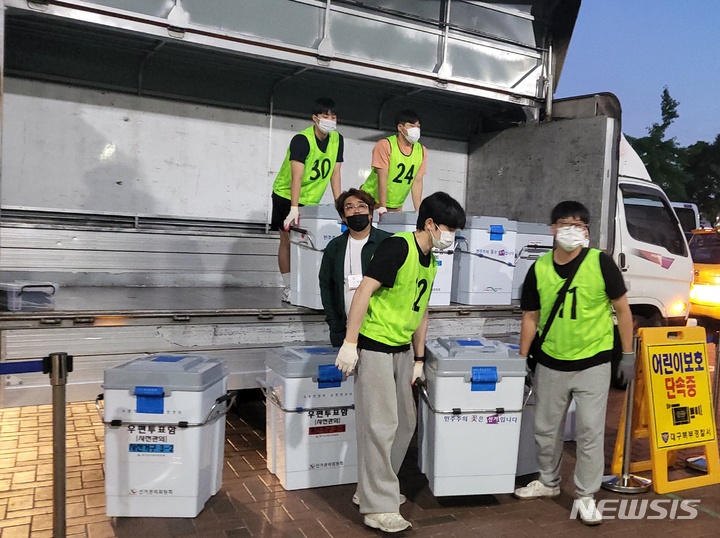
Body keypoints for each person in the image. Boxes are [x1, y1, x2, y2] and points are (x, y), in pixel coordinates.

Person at [334, 192, 466, 533]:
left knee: (405, 423)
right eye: (449, 228)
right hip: (375, 346)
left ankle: (373, 489)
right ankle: (378, 506)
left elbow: (420, 310)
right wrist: (350, 343)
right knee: (380, 425)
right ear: (430, 224)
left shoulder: (431, 261)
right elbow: (363, 291)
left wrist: (419, 357)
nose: (451, 236)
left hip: (402, 349)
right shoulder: (398, 247)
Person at [513, 200, 635, 526]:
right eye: (565, 224)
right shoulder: (538, 268)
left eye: (580, 225)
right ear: (552, 228)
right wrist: (523, 359)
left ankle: (585, 496)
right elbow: (530, 317)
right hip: (551, 361)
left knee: (590, 431)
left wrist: (627, 353)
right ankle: (548, 482)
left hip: (593, 361)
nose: (572, 230)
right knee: (545, 428)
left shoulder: (601, 263)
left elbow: (623, 310)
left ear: (587, 231)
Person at [270, 98, 344, 302]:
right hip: (286, 196)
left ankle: (307, 284)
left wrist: (340, 204)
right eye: (325, 116)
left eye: (333, 117)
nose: (330, 120)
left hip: (312, 200)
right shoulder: (302, 140)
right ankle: (288, 286)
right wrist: (294, 208)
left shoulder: (338, 140)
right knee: (287, 240)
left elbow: (335, 174)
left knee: (307, 241)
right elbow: (297, 177)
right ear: (315, 118)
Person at [319, 189, 392, 347]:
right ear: (343, 217)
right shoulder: (335, 247)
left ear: (370, 213)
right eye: (349, 207)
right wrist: (335, 325)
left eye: (362, 206)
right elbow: (326, 286)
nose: (356, 210)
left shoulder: (388, 242)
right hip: (344, 329)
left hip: (381, 330)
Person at [360, 109, 426, 215]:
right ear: (400, 127)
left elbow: (417, 181)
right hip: (370, 201)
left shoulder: (421, 150)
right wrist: (382, 206)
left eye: (418, 126)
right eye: (412, 126)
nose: (416, 130)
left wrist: (419, 211)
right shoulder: (385, 145)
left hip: (396, 205)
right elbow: (383, 177)